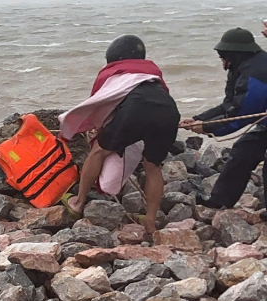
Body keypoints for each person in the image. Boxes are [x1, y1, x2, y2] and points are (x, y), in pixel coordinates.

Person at [59, 35, 180, 234]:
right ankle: (150, 220)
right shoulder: (151, 72)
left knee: (98, 152)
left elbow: (99, 101)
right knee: (152, 166)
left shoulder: (112, 73)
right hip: (169, 110)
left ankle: (78, 203)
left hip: (136, 109)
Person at [181, 28, 267, 211]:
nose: (222, 62)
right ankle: (219, 201)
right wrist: (199, 119)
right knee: (243, 151)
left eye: (223, 57)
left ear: (234, 54)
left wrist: (206, 128)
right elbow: (229, 104)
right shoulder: (241, 67)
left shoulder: (257, 73)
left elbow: (241, 115)